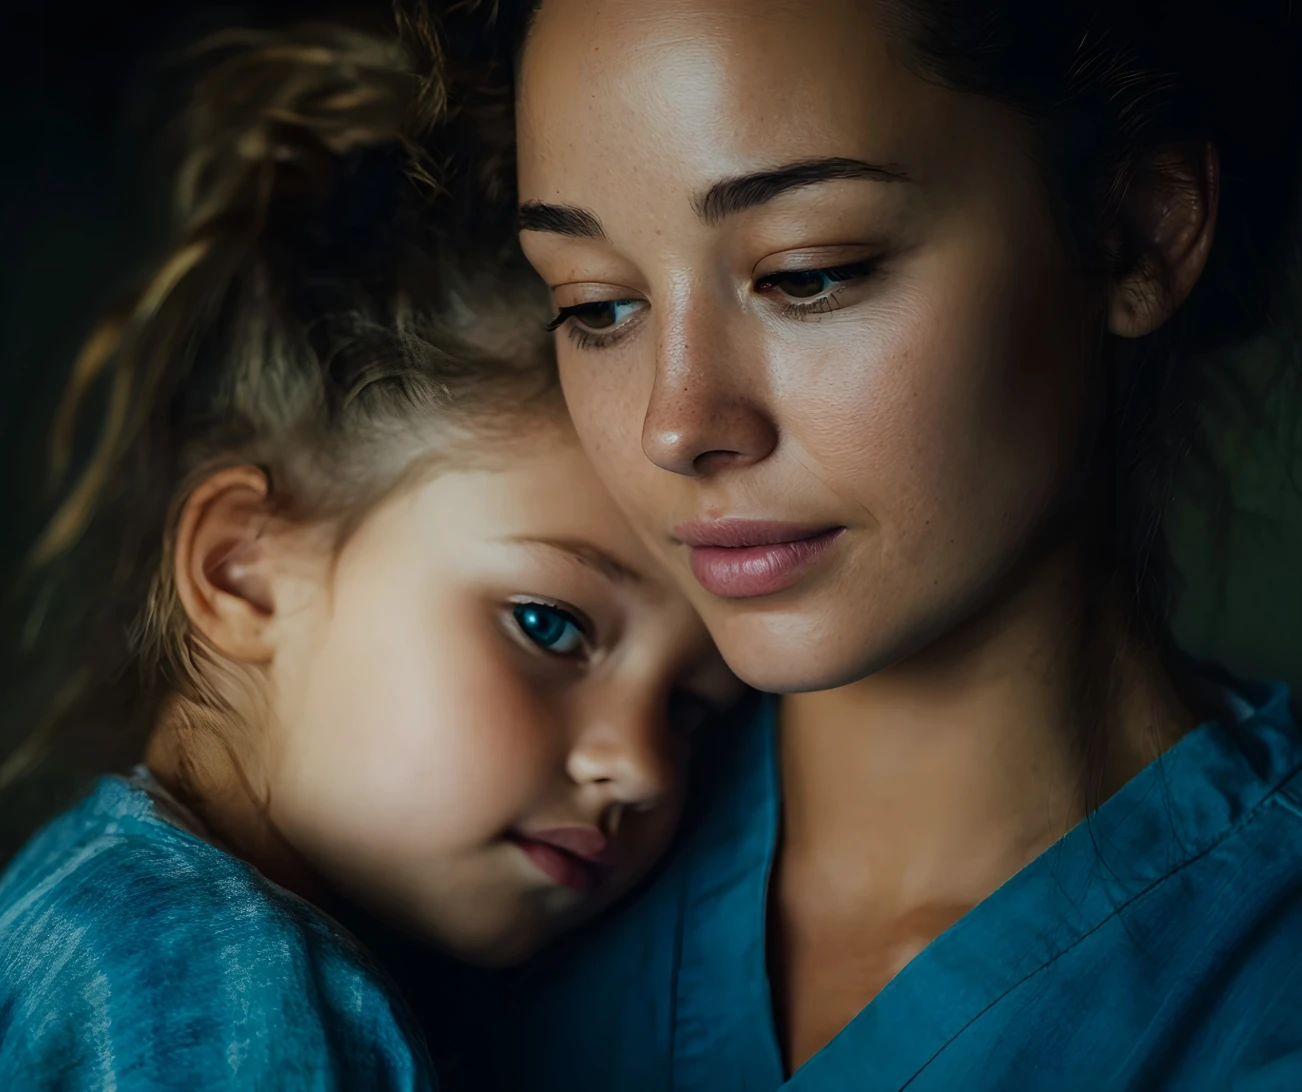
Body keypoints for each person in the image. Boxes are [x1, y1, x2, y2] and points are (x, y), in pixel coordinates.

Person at [397, 0, 1302, 1088]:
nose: (675, 425)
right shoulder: (476, 847)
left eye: (806, 274)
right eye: (597, 306)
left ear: (1137, 235)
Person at [0, 22, 739, 1091]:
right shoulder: (216, 986)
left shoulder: (96, 921)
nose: (640, 768)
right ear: (242, 571)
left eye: (691, 710)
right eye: (548, 625)